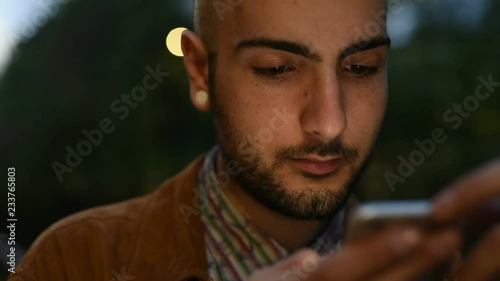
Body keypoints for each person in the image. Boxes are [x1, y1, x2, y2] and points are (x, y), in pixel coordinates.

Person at [9, 0, 500, 280]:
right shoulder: (76, 261)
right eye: (277, 69)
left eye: (361, 68)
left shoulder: (436, 268)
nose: (329, 123)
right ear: (201, 72)